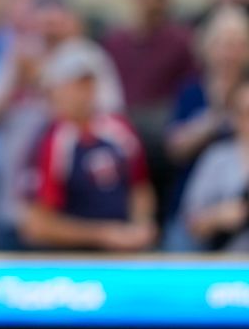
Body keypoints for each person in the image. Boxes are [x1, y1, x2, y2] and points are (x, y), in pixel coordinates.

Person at [18, 41, 156, 251]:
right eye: (75, 84)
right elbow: (37, 225)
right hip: (71, 262)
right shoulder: (50, 141)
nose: (84, 92)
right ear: (55, 89)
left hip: (123, 254)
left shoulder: (119, 130)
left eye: (88, 83)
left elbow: (139, 186)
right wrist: (103, 235)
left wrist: (141, 225)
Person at [103, 0, 196, 219]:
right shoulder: (114, 41)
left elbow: (189, 93)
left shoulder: (181, 41)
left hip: (164, 150)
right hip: (122, 150)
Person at [182, 76, 249, 251]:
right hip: (225, 262)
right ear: (234, 116)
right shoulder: (216, 158)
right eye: (245, 113)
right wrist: (218, 217)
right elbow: (191, 222)